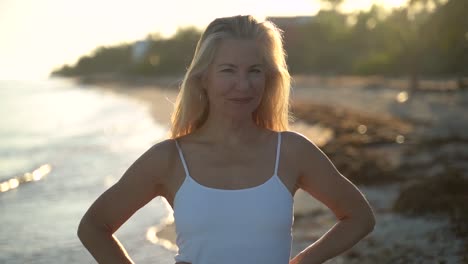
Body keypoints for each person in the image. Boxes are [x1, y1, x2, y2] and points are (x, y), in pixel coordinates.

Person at [77, 15, 375, 264]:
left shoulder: (292, 152)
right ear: (203, 78)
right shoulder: (168, 158)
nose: (243, 85)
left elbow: (359, 217)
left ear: (269, 78)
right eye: (228, 70)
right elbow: (93, 227)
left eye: (255, 71)